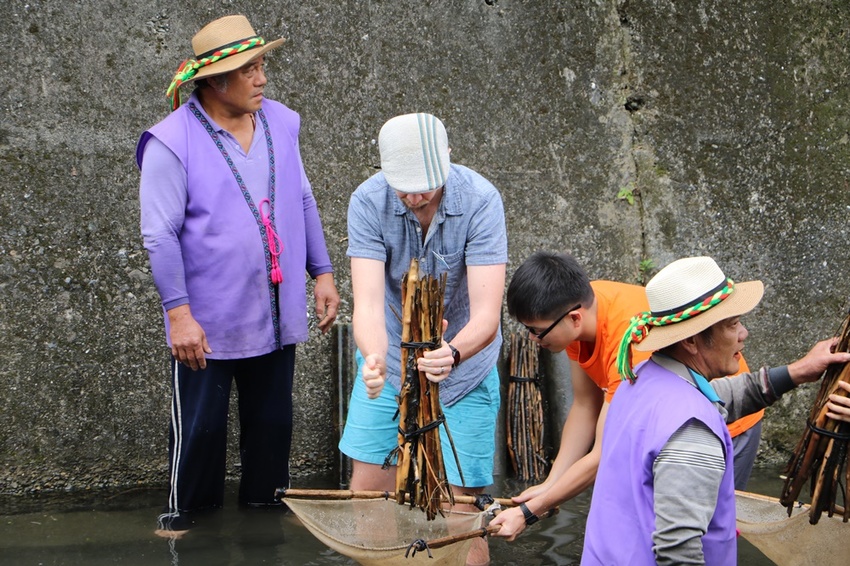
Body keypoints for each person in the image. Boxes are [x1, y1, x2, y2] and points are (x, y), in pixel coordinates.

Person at [136, 14, 340, 536]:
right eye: (248, 69)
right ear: (214, 80)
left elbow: (302, 197)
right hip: (206, 322)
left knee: (272, 429)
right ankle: (187, 525)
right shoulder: (170, 141)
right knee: (200, 431)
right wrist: (178, 315)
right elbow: (158, 235)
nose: (262, 79)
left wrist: (322, 272)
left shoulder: (281, 121)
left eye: (261, 65)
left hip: (274, 310)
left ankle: (263, 527)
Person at [581, 256, 850, 565]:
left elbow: (722, 396)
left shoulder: (639, 380)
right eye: (732, 324)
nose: (743, 333)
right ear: (694, 342)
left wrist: (798, 371)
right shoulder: (693, 431)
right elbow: (678, 551)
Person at [490, 251, 760, 540]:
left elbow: (604, 453)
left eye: (536, 331)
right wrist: (551, 482)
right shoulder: (577, 316)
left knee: (700, 532)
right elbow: (584, 406)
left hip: (722, 423)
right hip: (667, 427)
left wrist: (531, 511)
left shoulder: (630, 348)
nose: (532, 339)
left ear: (574, 318)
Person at [338, 112, 507, 566]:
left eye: (424, 186)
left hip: (465, 368)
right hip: (391, 362)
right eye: (403, 187)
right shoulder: (368, 201)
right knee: (369, 491)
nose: (413, 197)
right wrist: (373, 360)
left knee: (461, 508)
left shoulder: (481, 200)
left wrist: (452, 352)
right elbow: (370, 305)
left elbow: (488, 314)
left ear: (447, 162)